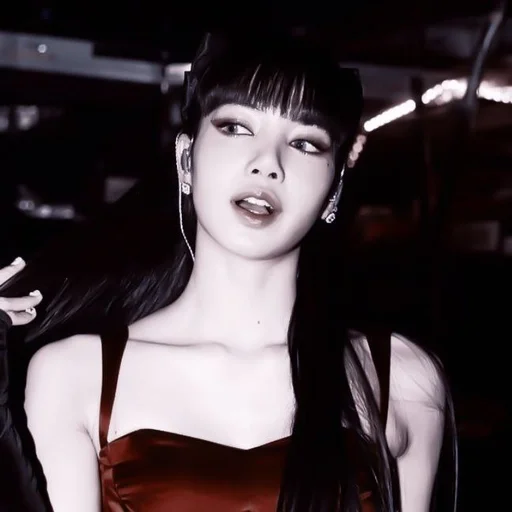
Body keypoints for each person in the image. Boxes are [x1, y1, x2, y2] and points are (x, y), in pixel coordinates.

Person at [0, 31, 455, 511]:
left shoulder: (400, 376)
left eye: (304, 143)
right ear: (186, 160)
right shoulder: (76, 373)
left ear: (334, 189)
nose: (267, 164)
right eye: (236, 128)